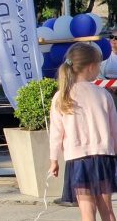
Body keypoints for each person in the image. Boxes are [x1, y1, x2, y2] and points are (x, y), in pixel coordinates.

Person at [48, 42, 117, 220]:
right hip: (103, 157)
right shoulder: (103, 94)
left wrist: (53, 159)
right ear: (91, 67)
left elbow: (56, 133)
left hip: (78, 159)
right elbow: (114, 129)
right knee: (107, 209)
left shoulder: (61, 96)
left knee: (87, 211)